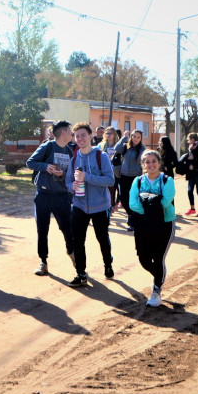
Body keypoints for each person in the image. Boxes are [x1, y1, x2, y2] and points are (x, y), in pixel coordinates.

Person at [66, 123, 116, 287]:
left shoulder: (100, 157)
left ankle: (107, 264)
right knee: (78, 241)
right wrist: (71, 186)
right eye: (77, 136)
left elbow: (110, 180)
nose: (80, 139)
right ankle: (81, 274)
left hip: (100, 206)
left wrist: (87, 177)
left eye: (83, 135)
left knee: (102, 238)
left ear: (90, 136)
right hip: (79, 206)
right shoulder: (74, 159)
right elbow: (67, 181)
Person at [25, 120, 75, 276]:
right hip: (44, 195)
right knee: (42, 230)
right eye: (69, 130)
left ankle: (72, 254)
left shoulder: (69, 151)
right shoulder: (47, 146)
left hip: (62, 196)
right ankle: (43, 262)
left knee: (67, 228)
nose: (72, 133)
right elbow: (30, 162)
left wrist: (63, 174)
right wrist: (46, 167)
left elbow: (71, 174)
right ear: (62, 132)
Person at [129, 150, 175, 307]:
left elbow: (167, 201)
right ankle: (159, 275)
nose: (151, 164)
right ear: (143, 165)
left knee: (159, 257)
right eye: (147, 162)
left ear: (159, 162)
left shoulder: (167, 180)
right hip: (143, 225)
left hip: (164, 224)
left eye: (154, 161)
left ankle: (156, 290)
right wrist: (151, 209)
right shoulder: (138, 181)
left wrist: (149, 207)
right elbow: (133, 203)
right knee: (143, 258)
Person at [115, 129, 146, 231]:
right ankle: (131, 215)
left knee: (134, 199)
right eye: (134, 136)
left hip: (135, 177)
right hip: (123, 176)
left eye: (138, 137)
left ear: (141, 138)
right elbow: (117, 148)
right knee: (124, 200)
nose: (135, 139)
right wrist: (124, 137)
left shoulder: (142, 149)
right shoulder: (126, 146)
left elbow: (143, 160)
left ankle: (133, 222)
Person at [97, 127, 121, 210]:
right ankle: (105, 206)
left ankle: (112, 205)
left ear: (114, 134)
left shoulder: (118, 145)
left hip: (115, 171)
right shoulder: (101, 145)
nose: (108, 135)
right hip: (104, 170)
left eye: (110, 133)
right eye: (106, 133)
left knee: (114, 189)